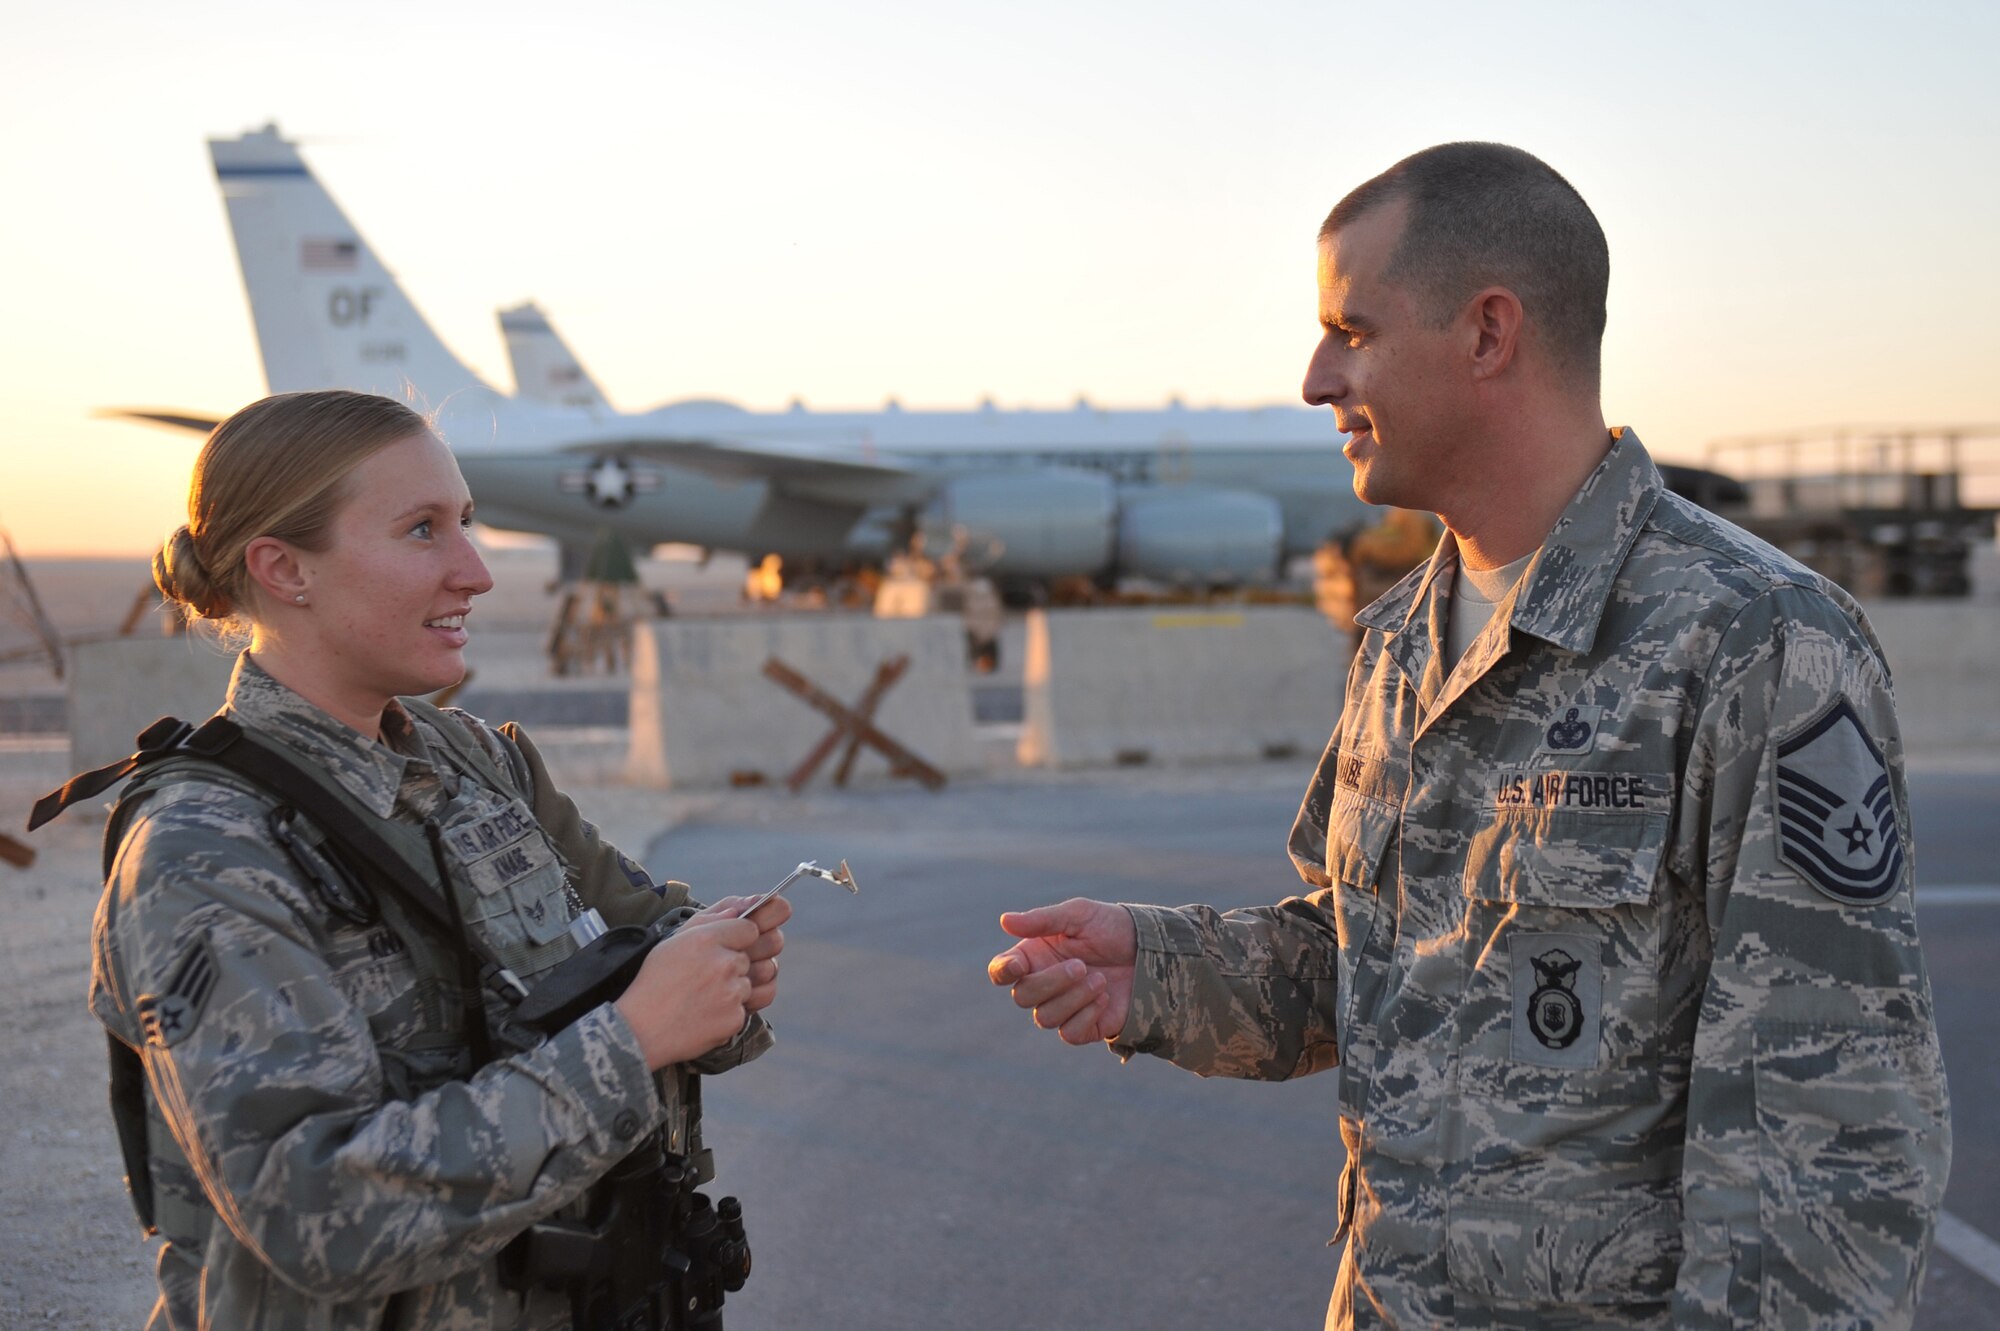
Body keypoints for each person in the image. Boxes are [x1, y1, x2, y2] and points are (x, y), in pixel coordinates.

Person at [989, 143, 1950, 1329]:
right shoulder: (1401, 641)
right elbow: (1374, 962)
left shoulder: (1755, 638)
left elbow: (1832, 1135)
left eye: (1351, 328)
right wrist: (1163, 967)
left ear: (1486, 333)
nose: (1312, 377)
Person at [77, 390, 789, 1330]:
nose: (477, 571)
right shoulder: (207, 848)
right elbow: (313, 1210)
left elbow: (650, 940)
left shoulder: (477, 763)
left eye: (466, 522)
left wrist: (720, 972)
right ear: (283, 568)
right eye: (422, 530)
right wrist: (631, 1041)